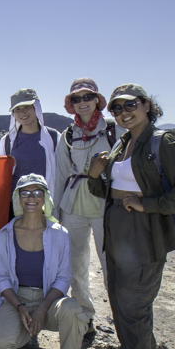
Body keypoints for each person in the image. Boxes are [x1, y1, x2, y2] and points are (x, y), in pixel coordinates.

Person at [88, 84, 175, 349]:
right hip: (117, 236)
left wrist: (148, 204)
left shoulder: (162, 143)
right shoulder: (122, 143)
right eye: (116, 108)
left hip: (145, 236)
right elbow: (106, 192)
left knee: (134, 311)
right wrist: (95, 176)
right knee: (121, 306)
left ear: (147, 105)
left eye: (130, 105)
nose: (124, 112)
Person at [0, 174, 89, 349]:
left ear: (45, 197)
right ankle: (28, 331)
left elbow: (63, 278)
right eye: (25, 192)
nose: (31, 197)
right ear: (17, 198)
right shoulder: (5, 234)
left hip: (48, 301)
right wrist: (20, 307)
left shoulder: (60, 234)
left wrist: (42, 308)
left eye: (37, 192)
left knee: (72, 310)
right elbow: (0, 278)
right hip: (17, 299)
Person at [53, 78, 123, 329]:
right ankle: (84, 314)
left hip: (107, 204)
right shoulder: (68, 135)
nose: (82, 102)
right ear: (70, 104)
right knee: (76, 264)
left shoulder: (115, 130)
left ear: (97, 100)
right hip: (73, 206)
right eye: (76, 98)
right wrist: (55, 211)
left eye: (87, 97)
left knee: (111, 264)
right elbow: (61, 173)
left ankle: (122, 321)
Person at [0, 89, 60, 213]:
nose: (23, 113)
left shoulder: (54, 137)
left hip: (44, 204)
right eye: (17, 110)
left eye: (27, 107)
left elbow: (62, 171)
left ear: (36, 108)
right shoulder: (7, 141)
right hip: (14, 206)